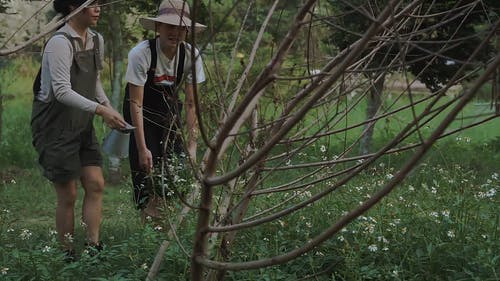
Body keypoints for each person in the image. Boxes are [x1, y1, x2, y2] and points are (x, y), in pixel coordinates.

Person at [31, 0, 126, 260]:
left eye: (98, 4)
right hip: (55, 127)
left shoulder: (96, 39)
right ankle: (67, 253)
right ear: (74, 7)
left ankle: (94, 248)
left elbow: (94, 81)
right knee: (68, 193)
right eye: (91, 4)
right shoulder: (59, 43)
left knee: (95, 184)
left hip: (82, 124)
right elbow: (61, 91)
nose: (98, 9)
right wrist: (100, 110)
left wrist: (108, 107)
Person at [123, 0, 206, 220]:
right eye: (170, 26)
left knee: (176, 170)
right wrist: (142, 147)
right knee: (147, 172)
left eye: (181, 28)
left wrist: (192, 143)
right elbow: (136, 104)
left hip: (169, 113)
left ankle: (166, 222)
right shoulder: (141, 54)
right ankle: (149, 223)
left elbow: (191, 103)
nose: (175, 33)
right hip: (141, 112)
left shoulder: (191, 55)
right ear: (158, 27)